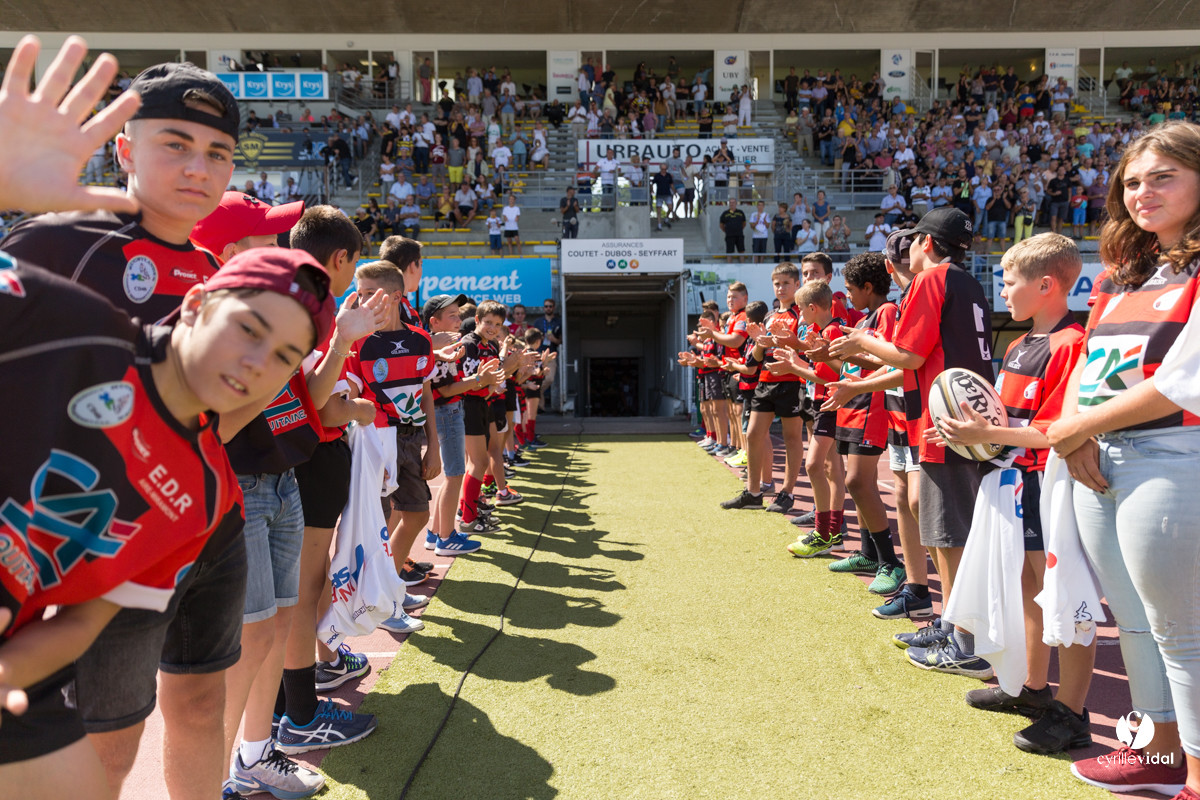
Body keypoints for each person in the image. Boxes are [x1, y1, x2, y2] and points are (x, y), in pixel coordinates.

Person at [0, 60, 265, 800]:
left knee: (203, 702)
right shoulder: (60, 240)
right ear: (125, 150)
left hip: (212, 525)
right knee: (108, 746)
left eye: (217, 154)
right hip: (105, 540)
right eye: (174, 144)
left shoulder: (219, 273)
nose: (197, 168)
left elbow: (213, 416)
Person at [0, 241, 332, 799]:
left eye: (283, 355)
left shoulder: (205, 495)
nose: (257, 362)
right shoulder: (74, 323)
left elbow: (84, 622)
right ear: (199, 302)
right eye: (249, 329)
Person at [1044, 122, 1200, 799]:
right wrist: (1076, 435)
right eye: (1132, 181)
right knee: (1132, 620)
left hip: (1172, 457)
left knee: (1182, 631)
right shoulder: (1129, 273)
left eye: (1163, 177)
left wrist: (1074, 427)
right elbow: (1089, 364)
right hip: (1100, 461)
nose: (1143, 192)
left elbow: (1181, 383)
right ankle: (1160, 754)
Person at [927, 233, 1097, 756]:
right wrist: (965, 433)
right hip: (1015, 479)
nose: (1002, 288)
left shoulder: (1070, 343)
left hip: (1052, 483)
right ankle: (1032, 688)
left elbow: (1057, 431)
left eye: (1009, 279)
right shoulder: (1022, 342)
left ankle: (1073, 713)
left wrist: (987, 436)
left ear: (1045, 285)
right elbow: (1004, 421)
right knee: (1027, 583)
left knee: (1066, 595)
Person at [830, 208, 995, 666]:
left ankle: (964, 642)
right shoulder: (968, 280)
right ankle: (950, 624)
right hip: (963, 417)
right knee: (943, 528)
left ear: (924, 242)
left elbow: (906, 355)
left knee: (948, 534)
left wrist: (859, 341)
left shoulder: (932, 280)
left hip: (943, 423)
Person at [823, 252, 907, 595]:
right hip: (852, 404)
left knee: (858, 482)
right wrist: (830, 352)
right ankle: (868, 553)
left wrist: (847, 352)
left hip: (871, 405)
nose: (849, 296)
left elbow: (884, 360)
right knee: (857, 483)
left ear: (868, 287)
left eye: (851, 289)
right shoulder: (862, 322)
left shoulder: (886, 312)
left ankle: (891, 561)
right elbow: (858, 361)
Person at [722, 263, 805, 511]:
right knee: (753, 434)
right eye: (777, 283)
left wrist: (785, 342)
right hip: (765, 382)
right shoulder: (768, 316)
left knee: (792, 438)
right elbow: (755, 358)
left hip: (791, 382)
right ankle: (754, 492)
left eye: (786, 283)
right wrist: (760, 342)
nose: (781, 288)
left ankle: (787, 493)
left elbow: (805, 348)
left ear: (796, 285)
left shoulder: (800, 314)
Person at [423, 293, 495, 556]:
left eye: (459, 313)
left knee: (452, 477)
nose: (459, 319)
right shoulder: (438, 349)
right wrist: (479, 379)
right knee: (454, 476)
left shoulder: (448, 345)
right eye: (452, 315)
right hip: (445, 412)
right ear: (434, 322)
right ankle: (446, 537)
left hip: (448, 411)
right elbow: (444, 391)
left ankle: (436, 533)